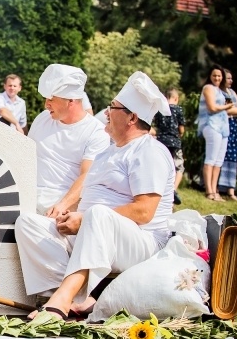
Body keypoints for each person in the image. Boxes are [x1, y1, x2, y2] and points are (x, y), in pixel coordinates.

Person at [17, 71, 174, 320]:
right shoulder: (108, 152)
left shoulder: (149, 152)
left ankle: (61, 301)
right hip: (94, 229)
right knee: (28, 223)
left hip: (141, 240)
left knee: (98, 215)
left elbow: (145, 211)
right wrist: (73, 215)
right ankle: (74, 299)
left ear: (132, 117)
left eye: (113, 107)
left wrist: (86, 218)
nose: (106, 111)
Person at [25, 64, 109, 216]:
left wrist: (61, 206)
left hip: (62, 205)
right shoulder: (43, 118)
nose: (46, 105)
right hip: (28, 198)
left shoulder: (96, 132)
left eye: (51, 99)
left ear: (71, 101)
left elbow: (87, 176)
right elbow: (26, 156)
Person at [197, 64, 234, 202]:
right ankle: (209, 191)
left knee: (218, 161)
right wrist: (227, 106)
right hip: (211, 125)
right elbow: (212, 108)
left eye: (219, 76)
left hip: (223, 127)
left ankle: (215, 190)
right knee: (211, 159)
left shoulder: (222, 91)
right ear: (210, 76)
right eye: (214, 75)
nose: (217, 78)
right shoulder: (208, 88)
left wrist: (229, 107)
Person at [151, 87, 185, 205]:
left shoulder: (160, 110)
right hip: (175, 142)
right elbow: (181, 128)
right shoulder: (179, 109)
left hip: (161, 142)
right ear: (176, 98)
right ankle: (173, 190)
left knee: (162, 166)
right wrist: (180, 134)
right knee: (179, 167)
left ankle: (161, 189)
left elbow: (156, 126)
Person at [217, 69, 237, 201]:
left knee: (232, 156)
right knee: (220, 156)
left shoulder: (232, 92)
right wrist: (232, 110)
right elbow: (225, 111)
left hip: (233, 126)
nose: (231, 81)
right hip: (223, 125)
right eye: (228, 78)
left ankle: (230, 190)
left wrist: (232, 110)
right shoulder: (219, 92)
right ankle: (217, 187)